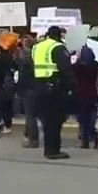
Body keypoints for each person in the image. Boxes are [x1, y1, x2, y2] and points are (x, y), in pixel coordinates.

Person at [30, 26, 74, 159]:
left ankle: (49, 149)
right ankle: (53, 150)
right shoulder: (57, 47)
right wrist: (72, 87)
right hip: (54, 87)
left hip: (39, 86)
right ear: (59, 35)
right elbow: (65, 70)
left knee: (47, 120)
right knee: (55, 121)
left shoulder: (37, 47)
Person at [71, 44, 98, 148]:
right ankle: (94, 135)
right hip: (93, 95)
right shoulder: (95, 65)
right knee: (91, 120)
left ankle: (85, 141)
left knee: (82, 120)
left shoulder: (76, 67)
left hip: (80, 96)